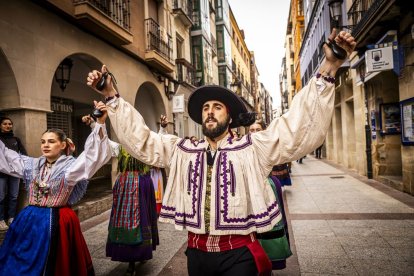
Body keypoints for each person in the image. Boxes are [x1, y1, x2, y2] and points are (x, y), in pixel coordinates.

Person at [87, 29, 356, 275]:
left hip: (239, 256)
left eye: (217, 106)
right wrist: (112, 95)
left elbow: (296, 128)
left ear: (230, 115)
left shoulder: (254, 147)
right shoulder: (183, 150)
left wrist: (330, 64)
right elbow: (142, 141)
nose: (210, 111)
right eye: (205, 108)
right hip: (197, 256)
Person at [0, 103, 111, 275]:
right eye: (43, 141)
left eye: (51, 142)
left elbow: (92, 157)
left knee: (56, 262)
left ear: (62, 145)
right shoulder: (32, 165)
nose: (45, 145)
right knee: (21, 258)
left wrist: (100, 124)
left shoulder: (70, 168)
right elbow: (6, 157)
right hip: (30, 219)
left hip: (57, 219)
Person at [82, 113, 168, 276]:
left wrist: (162, 127)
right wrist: (93, 124)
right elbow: (104, 141)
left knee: (143, 220)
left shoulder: (146, 146)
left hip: (142, 186)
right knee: (126, 222)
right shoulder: (120, 147)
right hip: (124, 188)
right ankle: (130, 260)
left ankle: (141, 253)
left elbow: (159, 142)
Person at [249, 121, 292, 270]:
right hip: (251, 188)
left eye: (258, 129)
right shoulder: (243, 147)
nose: (254, 132)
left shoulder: (270, 145)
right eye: (252, 130)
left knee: (272, 222)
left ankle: (271, 257)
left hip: (269, 185)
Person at [0, 117, 27, 230]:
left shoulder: (16, 139)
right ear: (0, 125)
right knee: (1, 196)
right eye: (5, 124)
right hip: (1, 172)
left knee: (14, 196)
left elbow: (24, 154)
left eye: (10, 124)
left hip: (15, 172)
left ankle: (11, 217)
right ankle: (1, 220)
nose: (8, 126)